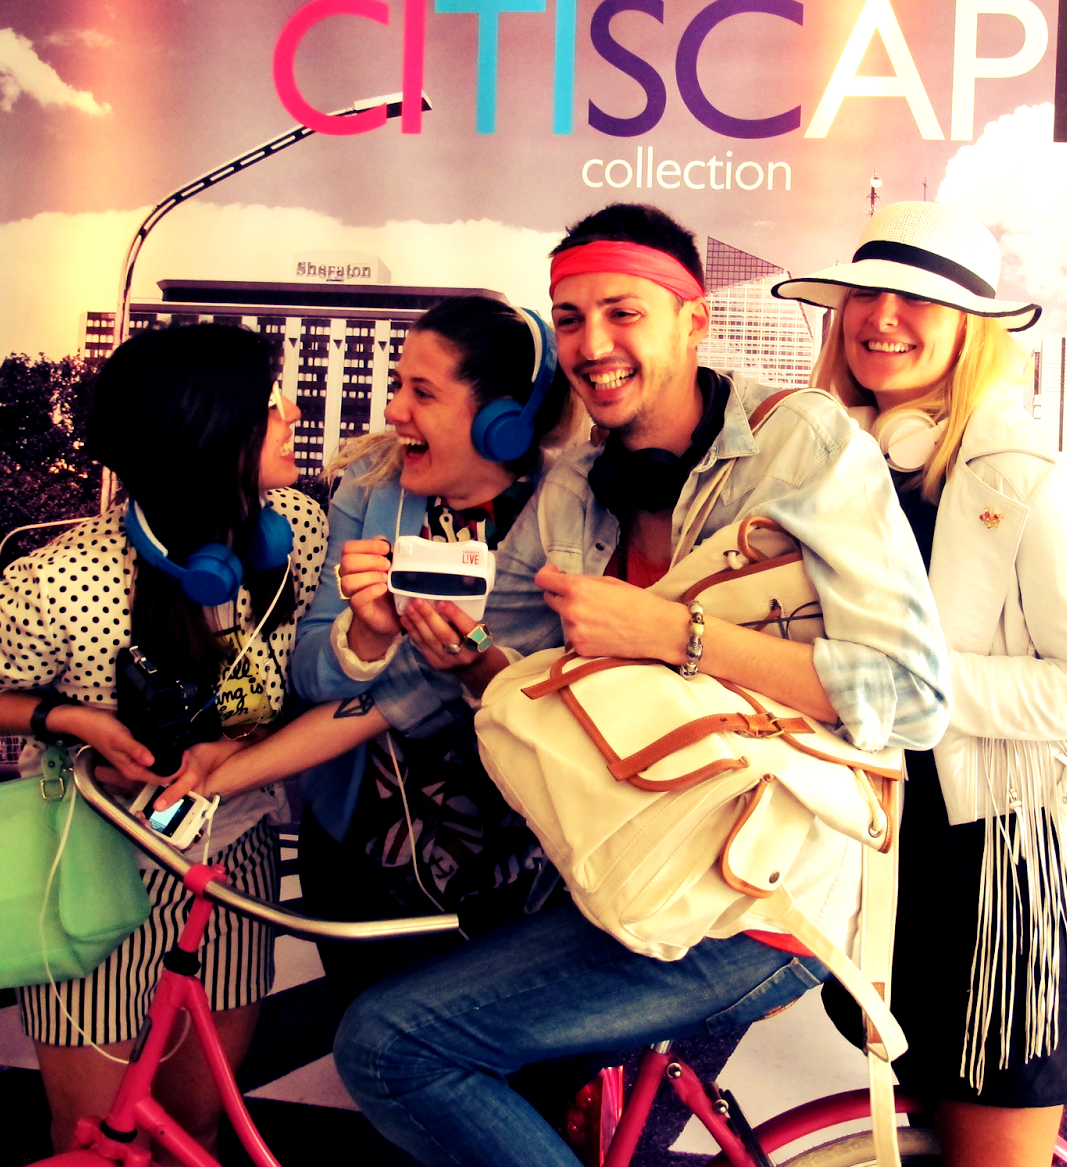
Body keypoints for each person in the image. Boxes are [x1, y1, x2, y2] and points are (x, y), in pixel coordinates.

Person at [328, 201, 948, 1167]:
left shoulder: (805, 443)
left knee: (391, 1047)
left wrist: (677, 635)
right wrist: (451, 653)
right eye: (571, 319)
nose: (593, 345)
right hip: (616, 869)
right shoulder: (575, 483)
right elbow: (518, 679)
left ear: (694, 321)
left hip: (761, 904)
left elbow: (910, 695)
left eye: (624, 313)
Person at [773, 202, 1067, 1167]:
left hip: (998, 878)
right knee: (917, 1140)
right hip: (876, 851)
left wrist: (904, 687)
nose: (880, 316)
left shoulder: (1026, 477)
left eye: (916, 300)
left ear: (972, 330)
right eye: (865, 294)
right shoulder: (827, 468)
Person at [0, 322, 325, 1158]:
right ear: (204, 431)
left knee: (195, 1128)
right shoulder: (59, 580)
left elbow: (313, 687)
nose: (293, 412)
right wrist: (70, 720)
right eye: (269, 402)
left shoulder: (296, 531)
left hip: (230, 865)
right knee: (97, 1141)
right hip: (88, 864)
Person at [191, 295, 578, 1004]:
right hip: (355, 844)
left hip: (510, 857)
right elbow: (311, 674)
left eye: (421, 392)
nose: (393, 410)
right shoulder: (372, 487)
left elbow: (410, 696)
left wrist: (233, 772)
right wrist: (364, 636)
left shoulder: (565, 515)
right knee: (361, 1032)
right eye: (397, 385)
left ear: (502, 420)